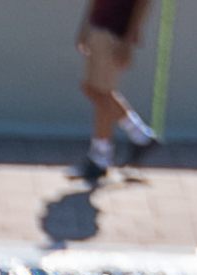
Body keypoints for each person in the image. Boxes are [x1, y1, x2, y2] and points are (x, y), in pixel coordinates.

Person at [76, 0, 165, 182]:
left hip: (114, 33)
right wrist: (85, 26)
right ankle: (140, 135)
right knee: (93, 89)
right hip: (98, 27)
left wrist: (127, 40)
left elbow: (142, 5)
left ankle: (101, 157)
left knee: (102, 92)